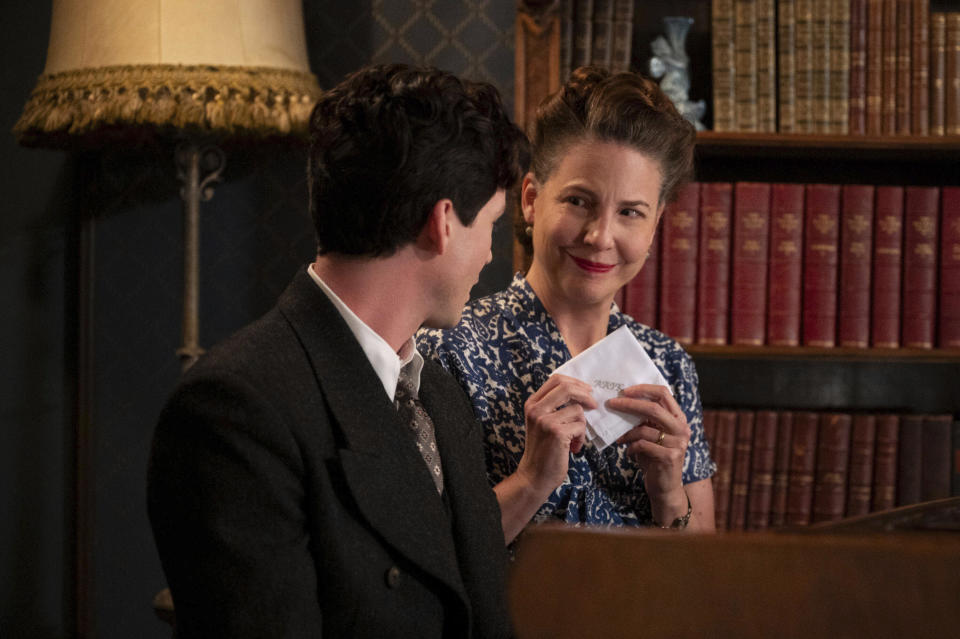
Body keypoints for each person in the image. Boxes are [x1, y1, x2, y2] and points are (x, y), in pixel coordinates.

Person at [147, 63, 528, 638]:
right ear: (443, 223)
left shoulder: (439, 397)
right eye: (493, 225)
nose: (490, 256)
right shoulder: (233, 414)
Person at [419, 67, 716, 543]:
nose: (600, 236)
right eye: (579, 201)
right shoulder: (447, 351)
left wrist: (669, 494)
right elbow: (425, 561)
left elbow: (706, 583)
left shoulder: (670, 367)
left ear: (656, 223)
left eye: (630, 212)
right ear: (532, 199)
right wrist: (530, 481)